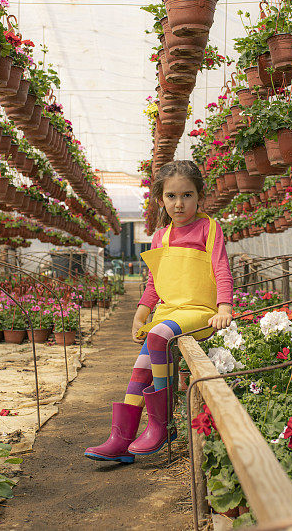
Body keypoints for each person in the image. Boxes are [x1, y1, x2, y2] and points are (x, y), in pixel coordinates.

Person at [84, 160, 233, 463]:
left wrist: (224, 308)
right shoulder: (160, 236)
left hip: (198, 312)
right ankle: (121, 441)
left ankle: (163, 424)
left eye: (187, 195)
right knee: (140, 368)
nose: (179, 204)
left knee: (158, 335)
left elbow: (222, 270)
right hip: (168, 313)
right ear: (160, 199)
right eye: (171, 196)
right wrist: (141, 311)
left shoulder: (210, 229)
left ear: (199, 196)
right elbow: (154, 282)